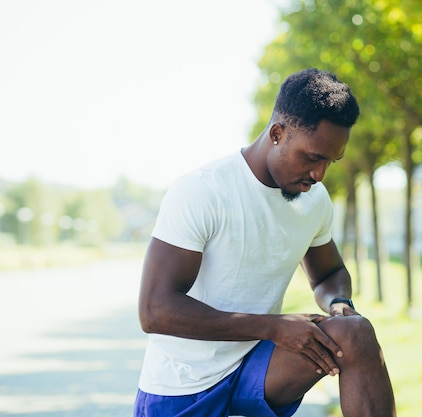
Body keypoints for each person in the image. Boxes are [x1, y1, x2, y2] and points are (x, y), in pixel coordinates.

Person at [135, 68, 396, 417]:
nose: (319, 175)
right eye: (312, 157)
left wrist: (338, 301)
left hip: (258, 367)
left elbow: (328, 272)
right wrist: (273, 326)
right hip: (183, 385)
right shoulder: (203, 190)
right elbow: (155, 311)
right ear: (277, 133)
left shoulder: (314, 200)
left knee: (356, 333)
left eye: (330, 162)